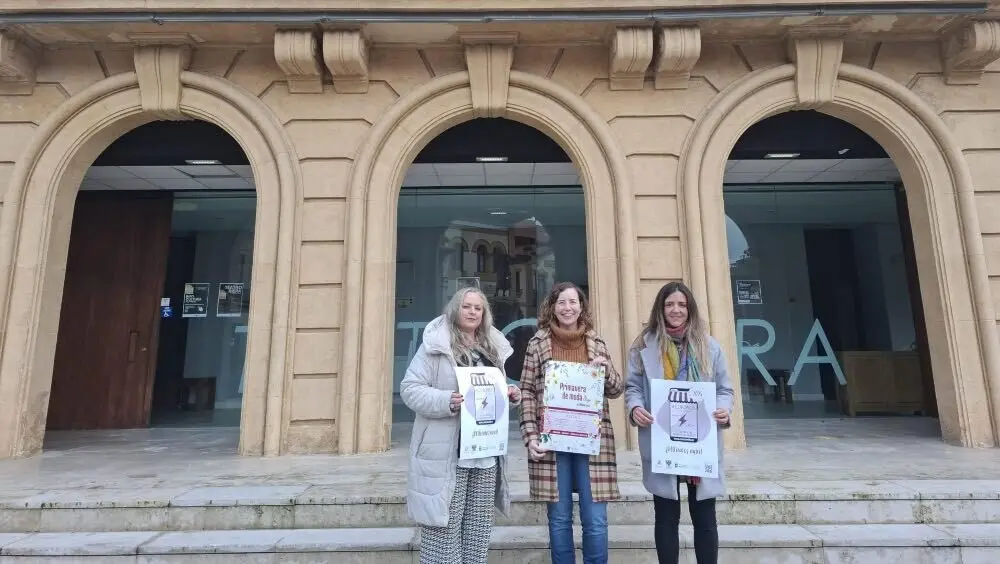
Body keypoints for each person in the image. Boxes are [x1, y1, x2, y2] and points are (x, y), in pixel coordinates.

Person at [401, 287, 523, 564]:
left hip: (485, 453)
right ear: (455, 309)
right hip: (448, 455)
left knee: (477, 533)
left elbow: (490, 394)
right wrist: (446, 400)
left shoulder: (491, 347)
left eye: (478, 308)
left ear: (484, 313)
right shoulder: (436, 346)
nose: (472, 312)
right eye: (467, 306)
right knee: (443, 534)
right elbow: (410, 389)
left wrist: (509, 395)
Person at [625, 282, 734, 564]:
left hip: (700, 444)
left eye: (682, 305)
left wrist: (723, 409)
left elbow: (725, 389)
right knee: (665, 517)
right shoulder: (643, 346)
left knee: (705, 518)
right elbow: (633, 387)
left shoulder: (709, 346)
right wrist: (635, 408)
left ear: (690, 309)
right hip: (663, 442)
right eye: (670, 304)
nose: (676, 310)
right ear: (660, 309)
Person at [519, 281, 623, 564]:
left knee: (596, 519)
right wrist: (530, 436)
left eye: (573, 302)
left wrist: (606, 371)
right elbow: (526, 391)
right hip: (552, 441)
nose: (568, 308)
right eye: (561, 302)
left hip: (592, 442)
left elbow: (616, 389)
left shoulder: (596, 343)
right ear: (552, 307)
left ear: (581, 306)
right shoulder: (537, 343)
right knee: (559, 518)